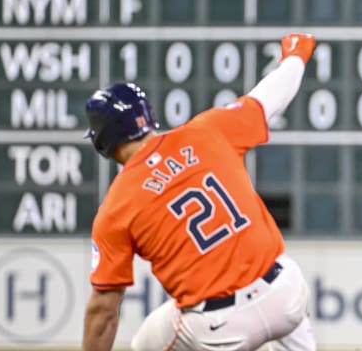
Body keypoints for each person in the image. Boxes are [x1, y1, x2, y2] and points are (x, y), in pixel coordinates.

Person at [82, 33, 319, 351]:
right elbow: (270, 95)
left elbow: (104, 311)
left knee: (144, 344)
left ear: (102, 141)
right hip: (283, 293)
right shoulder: (208, 130)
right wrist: (296, 56)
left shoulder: (115, 208)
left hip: (220, 328)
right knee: (288, 284)